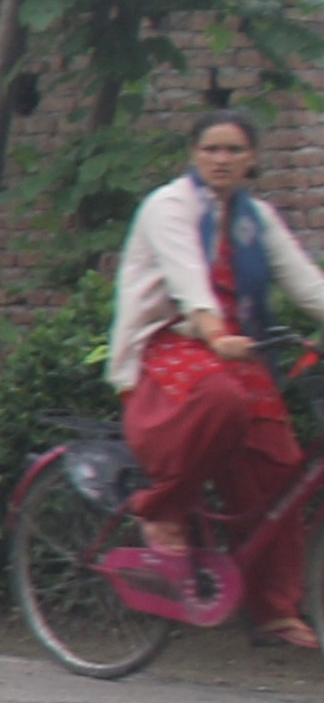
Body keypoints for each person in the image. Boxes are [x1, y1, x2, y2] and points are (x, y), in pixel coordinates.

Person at [111, 109, 324, 649]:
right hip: (172, 345)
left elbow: (307, 286)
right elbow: (188, 282)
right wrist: (213, 330)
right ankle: (161, 512)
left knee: (282, 470)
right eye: (211, 149)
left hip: (238, 351)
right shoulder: (169, 207)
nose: (221, 160)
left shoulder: (258, 218)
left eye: (233, 151)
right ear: (194, 154)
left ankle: (273, 609)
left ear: (252, 159)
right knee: (222, 398)